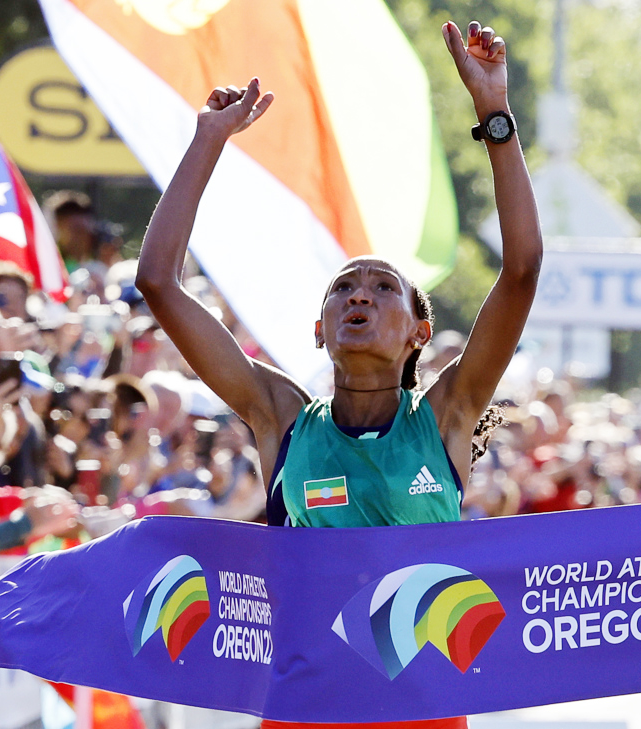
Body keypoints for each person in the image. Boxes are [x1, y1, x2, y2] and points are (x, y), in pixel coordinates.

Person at [136, 19, 541, 729]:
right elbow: (159, 283)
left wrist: (494, 116)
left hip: (422, 714)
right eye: (344, 288)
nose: (360, 295)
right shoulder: (282, 418)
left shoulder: (445, 417)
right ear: (319, 329)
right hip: (305, 712)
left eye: (383, 288)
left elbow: (522, 270)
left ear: (418, 334)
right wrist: (208, 141)